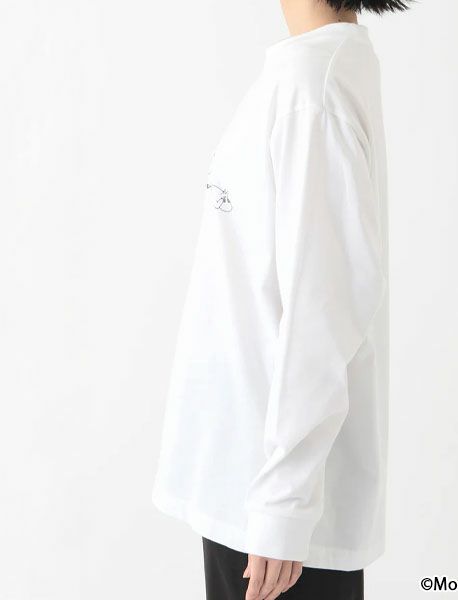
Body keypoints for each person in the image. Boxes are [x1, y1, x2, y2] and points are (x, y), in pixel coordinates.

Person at [152, 1, 411, 598]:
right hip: (253, 490)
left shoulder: (310, 90)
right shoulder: (312, 73)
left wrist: (282, 507)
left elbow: (325, 309)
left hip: (270, 512)